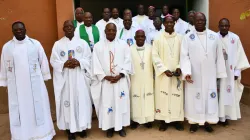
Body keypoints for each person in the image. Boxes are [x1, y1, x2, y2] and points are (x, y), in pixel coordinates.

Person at [0, 21, 55, 140]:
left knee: (39, 108)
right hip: (17, 89)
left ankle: (43, 135)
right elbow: (4, 65)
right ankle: (21, 136)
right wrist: (4, 81)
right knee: (19, 111)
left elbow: (43, 61)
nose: (19, 32)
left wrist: (45, 75)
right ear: (12, 32)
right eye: (16, 30)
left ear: (25, 30)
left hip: (36, 85)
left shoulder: (35, 44)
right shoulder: (7, 47)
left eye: (21, 29)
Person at [180, 12, 227, 133]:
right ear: (193, 21)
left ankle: (207, 121)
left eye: (202, 20)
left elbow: (219, 56)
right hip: (194, 75)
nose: (200, 22)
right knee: (194, 97)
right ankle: (194, 122)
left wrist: (219, 74)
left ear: (205, 21)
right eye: (198, 20)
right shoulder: (188, 37)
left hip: (210, 74)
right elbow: (184, 56)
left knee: (208, 98)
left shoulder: (214, 36)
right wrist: (187, 72)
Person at [50, 20, 92, 140]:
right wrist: (64, 64)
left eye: (71, 26)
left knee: (81, 102)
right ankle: (70, 130)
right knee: (68, 103)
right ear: (63, 29)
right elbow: (53, 61)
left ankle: (82, 128)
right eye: (66, 27)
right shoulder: (58, 44)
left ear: (74, 28)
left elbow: (89, 58)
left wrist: (79, 62)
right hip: (66, 79)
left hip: (79, 78)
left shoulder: (83, 43)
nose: (69, 28)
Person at [91, 23, 132, 138]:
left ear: (116, 31)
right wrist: (104, 76)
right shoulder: (98, 46)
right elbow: (95, 63)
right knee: (107, 104)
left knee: (120, 103)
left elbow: (128, 61)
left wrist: (121, 75)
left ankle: (121, 127)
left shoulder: (123, 45)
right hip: (106, 82)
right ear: (105, 31)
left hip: (120, 81)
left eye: (113, 30)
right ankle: (109, 127)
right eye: (108, 30)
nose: (111, 32)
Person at [152, 15, 184, 131]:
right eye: (167, 22)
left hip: (176, 74)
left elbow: (184, 55)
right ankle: (163, 121)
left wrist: (180, 67)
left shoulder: (181, 38)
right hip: (163, 75)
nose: (169, 24)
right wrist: (164, 69)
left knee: (176, 96)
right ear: (164, 24)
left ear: (174, 23)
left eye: (171, 22)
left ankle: (176, 120)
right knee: (163, 97)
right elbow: (154, 56)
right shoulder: (158, 38)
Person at [217, 18, 250, 126]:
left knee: (227, 94)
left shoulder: (235, 38)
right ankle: (216, 116)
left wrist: (237, 72)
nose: (224, 28)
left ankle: (225, 117)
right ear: (219, 26)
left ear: (229, 26)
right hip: (217, 72)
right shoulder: (213, 37)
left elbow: (240, 56)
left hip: (230, 73)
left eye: (226, 26)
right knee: (217, 94)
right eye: (222, 26)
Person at [130, 30, 154, 129]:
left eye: (142, 37)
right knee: (135, 98)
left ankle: (148, 119)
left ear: (145, 38)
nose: (140, 39)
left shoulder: (151, 48)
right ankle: (135, 119)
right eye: (138, 37)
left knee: (148, 98)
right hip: (135, 78)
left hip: (148, 77)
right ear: (135, 38)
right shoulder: (130, 49)